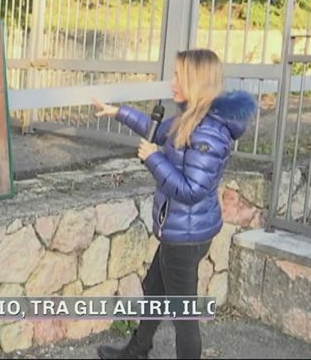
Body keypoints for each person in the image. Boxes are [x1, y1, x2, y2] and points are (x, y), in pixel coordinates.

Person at [92, 49, 256, 359]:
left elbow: (191, 190)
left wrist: (153, 158)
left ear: (196, 80)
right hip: (180, 228)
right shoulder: (191, 118)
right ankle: (137, 350)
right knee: (155, 289)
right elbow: (157, 131)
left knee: (184, 319)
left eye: (179, 76)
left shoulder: (207, 133)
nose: (172, 82)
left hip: (186, 236)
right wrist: (117, 112)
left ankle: (138, 350)